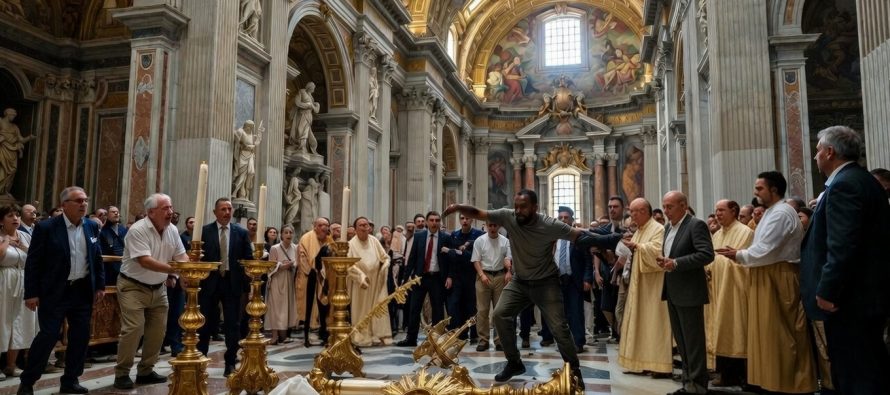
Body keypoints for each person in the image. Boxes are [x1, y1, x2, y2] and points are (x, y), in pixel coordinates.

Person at [441, 190, 622, 388]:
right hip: (520, 282)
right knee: (500, 315)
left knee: (559, 328)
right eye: (516, 206)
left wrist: (613, 239)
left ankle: (574, 370)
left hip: (546, 283)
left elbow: (580, 236)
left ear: (535, 208)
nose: (518, 210)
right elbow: (479, 213)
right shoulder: (508, 216)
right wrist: (458, 207)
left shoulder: (548, 224)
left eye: (523, 207)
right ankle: (514, 362)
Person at [801, 126, 890, 393]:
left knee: (857, 374)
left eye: (817, 150)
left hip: (849, 300)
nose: (815, 156)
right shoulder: (860, 180)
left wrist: (828, 290)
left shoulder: (845, 185)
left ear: (830, 152)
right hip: (860, 297)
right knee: (866, 368)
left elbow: (842, 245)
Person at [716, 171, 817, 393]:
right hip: (767, 274)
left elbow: (766, 250)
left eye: (759, 188)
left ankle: (792, 383)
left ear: (774, 189)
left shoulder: (782, 213)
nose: (755, 192)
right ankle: (774, 382)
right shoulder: (772, 212)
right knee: (769, 335)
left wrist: (738, 255)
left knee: (784, 334)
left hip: (779, 275)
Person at [18, 186, 105, 395]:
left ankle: (70, 380)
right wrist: (31, 293)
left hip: (82, 290)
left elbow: (97, 258)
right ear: (64, 205)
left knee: (80, 336)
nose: (84, 204)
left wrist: (100, 285)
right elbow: (33, 262)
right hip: (55, 290)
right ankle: (28, 381)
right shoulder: (47, 227)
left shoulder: (92, 227)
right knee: (48, 335)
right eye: (78, 200)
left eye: (85, 200)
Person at [113, 194, 187, 389]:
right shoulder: (138, 230)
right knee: (134, 329)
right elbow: (144, 261)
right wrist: (174, 270)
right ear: (151, 212)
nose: (170, 212)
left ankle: (146, 370)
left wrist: (186, 273)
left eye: (171, 207)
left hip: (159, 287)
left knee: (157, 331)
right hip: (133, 286)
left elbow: (181, 256)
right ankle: (121, 373)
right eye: (165, 208)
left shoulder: (172, 230)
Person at [657, 192, 714, 394]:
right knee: (682, 342)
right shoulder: (667, 228)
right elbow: (673, 256)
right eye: (664, 206)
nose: (665, 211)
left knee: (693, 342)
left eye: (670, 206)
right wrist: (666, 261)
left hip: (690, 291)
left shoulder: (695, 225)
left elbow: (706, 254)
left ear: (683, 205)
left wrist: (677, 263)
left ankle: (698, 385)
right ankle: (687, 382)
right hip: (673, 290)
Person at [196, 198, 253, 377]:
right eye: (223, 209)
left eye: (229, 209)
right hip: (209, 282)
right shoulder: (205, 231)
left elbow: (247, 259)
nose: (227, 212)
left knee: (232, 325)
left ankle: (230, 362)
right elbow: (198, 257)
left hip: (232, 282)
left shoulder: (241, 232)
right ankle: (201, 360)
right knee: (204, 324)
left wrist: (247, 282)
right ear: (215, 212)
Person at [617, 198, 672, 376]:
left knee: (653, 323)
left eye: (633, 211)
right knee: (641, 323)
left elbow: (658, 251)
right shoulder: (640, 230)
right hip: (639, 283)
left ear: (642, 211)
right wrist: (635, 246)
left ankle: (659, 365)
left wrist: (638, 246)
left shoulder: (657, 228)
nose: (631, 215)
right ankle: (642, 361)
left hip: (652, 287)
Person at [708, 200, 753, 387]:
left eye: (721, 210)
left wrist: (719, 261)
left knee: (735, 330)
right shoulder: (717, 234)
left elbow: (744, 262)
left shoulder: (745, 232)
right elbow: (711, 257)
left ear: (733, 211)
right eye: (716, 210)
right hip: (717, 289)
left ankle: (740, 375)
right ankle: (724, 374)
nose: (717, 214)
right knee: (719, 329)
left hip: (735, 290)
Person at [396, 211, 454, 347]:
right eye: (432, 220)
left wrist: (450, 276)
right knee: (414, 308)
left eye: (437, 220)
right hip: (420, 277)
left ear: (440, 222)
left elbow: (451, 260)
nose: (434, 223)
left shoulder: (446, 237)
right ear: (427, 222)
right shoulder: (419, 236)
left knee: (437, 310)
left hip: (437, 278)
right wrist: (405, 280)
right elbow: (412, 258)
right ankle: (411, 338)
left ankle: (436, 339)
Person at [539, 206, 593, 353]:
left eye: (566, 218)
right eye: (560, 218)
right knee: (560, 315)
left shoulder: (578, 237)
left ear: (571, 220)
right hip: (558, 280)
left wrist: (588, 278)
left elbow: (588, 260)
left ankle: (578, 342)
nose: (563, 220)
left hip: (574, 280)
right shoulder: (553, 238)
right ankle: (564, 342)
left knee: (576, 312)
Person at [0, 204, 35, 379]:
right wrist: (6, 241)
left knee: (18, 322)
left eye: (17, 215)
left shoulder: (25, 236)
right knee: (2, 321)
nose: (15, 218)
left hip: (23, 280)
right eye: (10, 216)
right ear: (1, 220)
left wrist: (21, 246)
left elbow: (35, 257)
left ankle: (11, 365)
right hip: (4, 280)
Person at [347, 217, 392, 346]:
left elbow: (385, 257)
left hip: (375, 282)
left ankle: (375, 333)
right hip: (360, 284)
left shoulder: (374, 241)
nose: (364, 227)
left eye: (366, 225)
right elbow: (348, 265)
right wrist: (360, 275)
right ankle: (361, 334)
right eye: (361, 225)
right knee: (360, 310)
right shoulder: (350, 244)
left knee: (375, 308)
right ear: (355, 229)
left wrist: (385, 265)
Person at [472, 221, 512, 351]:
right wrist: (481, 274)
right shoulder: (480, 240)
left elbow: (508, 259)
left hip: (500, 276)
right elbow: (476, 260)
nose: (493, 228)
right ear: (486, 226)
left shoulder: (505, 241)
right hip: (484, 275)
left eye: (495, 225)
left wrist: (509, 272)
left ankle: (499, 340)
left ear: (499, 226)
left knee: (498, 311)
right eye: (490, 225)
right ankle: (483, 340)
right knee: (482, 310)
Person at [446, 214, 484, 339]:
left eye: (467, 218)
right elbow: (451, 258)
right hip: (457, 274)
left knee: (471, 305)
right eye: (462, 218)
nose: (465, 220)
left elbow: (474, 256)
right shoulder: (455, 234)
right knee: (456, 304)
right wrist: (450, 276)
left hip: (472, 274)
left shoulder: (478, 235)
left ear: (471, 219)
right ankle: (460, 333)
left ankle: (474, 334)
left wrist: (458, 252)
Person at [297, 217, 332, 347]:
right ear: (315, 226)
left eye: (326, 225)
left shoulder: (329, 239)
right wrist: (314, 271)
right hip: (310, 278)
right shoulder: (306, 238)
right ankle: (307, 335)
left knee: (325, 307)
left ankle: (324, 333)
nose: (324, 227)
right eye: (321, 225)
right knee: (309, 307)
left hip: (325, 279)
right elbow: (303, 258)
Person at [265, 225, 297, 344]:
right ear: (282, 235)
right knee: (276, 307)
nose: (289, 235)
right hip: (277, 279)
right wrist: (282, 265)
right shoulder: (275, 248)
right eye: (286, 232)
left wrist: (293, 264)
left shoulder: (296, 247)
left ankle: (283, 336)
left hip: (289, 279)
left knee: (286, 307)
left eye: (291, 232)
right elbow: (271, 266)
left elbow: (297, 263)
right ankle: (274, 336)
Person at [0, 108, 37, 195]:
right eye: (12, 115)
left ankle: (4, 190)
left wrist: (29, 137)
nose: (13, 117)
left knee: (13, 170)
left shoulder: (15, 127)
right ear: (7, 114)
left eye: (14, 116)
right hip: (2, 148)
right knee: (1, 167)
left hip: (12, 150)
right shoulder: (0, 121)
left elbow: (21, 139)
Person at [231, 120, 263, 200]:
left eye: (251, 127)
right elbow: (236, 137)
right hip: (242, 155)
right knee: (241, 174)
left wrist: (260, 133)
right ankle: (236, 192)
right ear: (245, 126)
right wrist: (243, 144)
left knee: (250, 173)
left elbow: (256, 143)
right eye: (249, 126)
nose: (250, 129)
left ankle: (243, 192)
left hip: (250, 156)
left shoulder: (252, 134)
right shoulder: (240, 131)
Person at [289, 82, 320, 154]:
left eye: (314, 88)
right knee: (300, 130)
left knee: (305, 131)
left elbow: (316, 110)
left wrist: (315, 105)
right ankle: (300, 146)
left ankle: (303, 147)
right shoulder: (302, 92)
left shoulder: (311, 97)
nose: (313, 90)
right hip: (301, 114)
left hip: (308, 116)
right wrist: (307, 105)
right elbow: (297, 103)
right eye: (313, 88)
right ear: (309, 87)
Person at [100, 205, 127, 285]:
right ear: (107, 215)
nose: (116, 213)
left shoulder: (124, 230)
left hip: (124, 268)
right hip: (109, 270)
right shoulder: (103, 232)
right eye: (113, 212)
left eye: (117, 212)